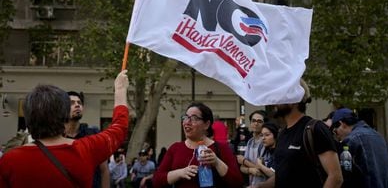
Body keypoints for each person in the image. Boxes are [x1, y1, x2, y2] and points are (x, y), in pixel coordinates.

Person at [0, 70, 129, 187]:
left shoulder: (9, 161)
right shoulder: (85, 149)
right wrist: (120, 89)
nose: (77, 105)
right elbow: (119, 128)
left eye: (79, 102)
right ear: (64, 115)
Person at [256, 79, 343, 188]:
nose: (275, 100)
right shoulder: (282, 134)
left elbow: (335, 177)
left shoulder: (315, 129)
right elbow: (282, 176)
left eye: (280, 94)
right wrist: (259, 186)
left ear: (294, 100)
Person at [152, 102, 243, 187]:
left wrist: (217, 162)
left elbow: (237, 183)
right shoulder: (175, 148)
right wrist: (180, 173)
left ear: (206, 124)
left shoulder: (222, 148)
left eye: (194, 118)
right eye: (186, 117)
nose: (187, 122)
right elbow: (156, 181)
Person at [332, 107, 388, 188]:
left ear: (342, 124)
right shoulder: (378, 135)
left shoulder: (351, 140)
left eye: (336, 131)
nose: (337, 136)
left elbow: (346, 175)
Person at [65, 90, 110, 188]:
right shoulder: (56, 136)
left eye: (79, 103)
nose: (77, 105)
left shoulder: (93, 135)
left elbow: (104, 170)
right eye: (72, 103)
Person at [237, 110, 268, 187]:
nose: (256, 123)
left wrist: (244, 161)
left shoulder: (266, 142)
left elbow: (262, 170)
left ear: (264, 124)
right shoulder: (250, 142)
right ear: (250, 123)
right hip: (252, 184)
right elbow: (242, 167)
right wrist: (250, 170)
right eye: (253, 120)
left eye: (259, 121)